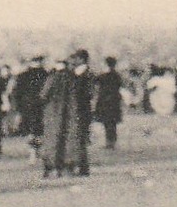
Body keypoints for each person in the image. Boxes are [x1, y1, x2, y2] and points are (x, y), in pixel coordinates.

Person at [40, 50, 93, 178]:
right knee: (70, 139)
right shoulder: (72, 77)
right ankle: (71, 167)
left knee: (53, 140)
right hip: (70, 112)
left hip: (53, 113)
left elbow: (43, 95)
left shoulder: (53, 77)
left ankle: (53, 168)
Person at [94, 56, 125, 149]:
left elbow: (96, 81)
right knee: (112, 123)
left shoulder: (103, 76)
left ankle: (109, 143)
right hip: (114, 101)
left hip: (105, 102)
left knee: (107, 123)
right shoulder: (117, 75)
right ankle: (112, 142)